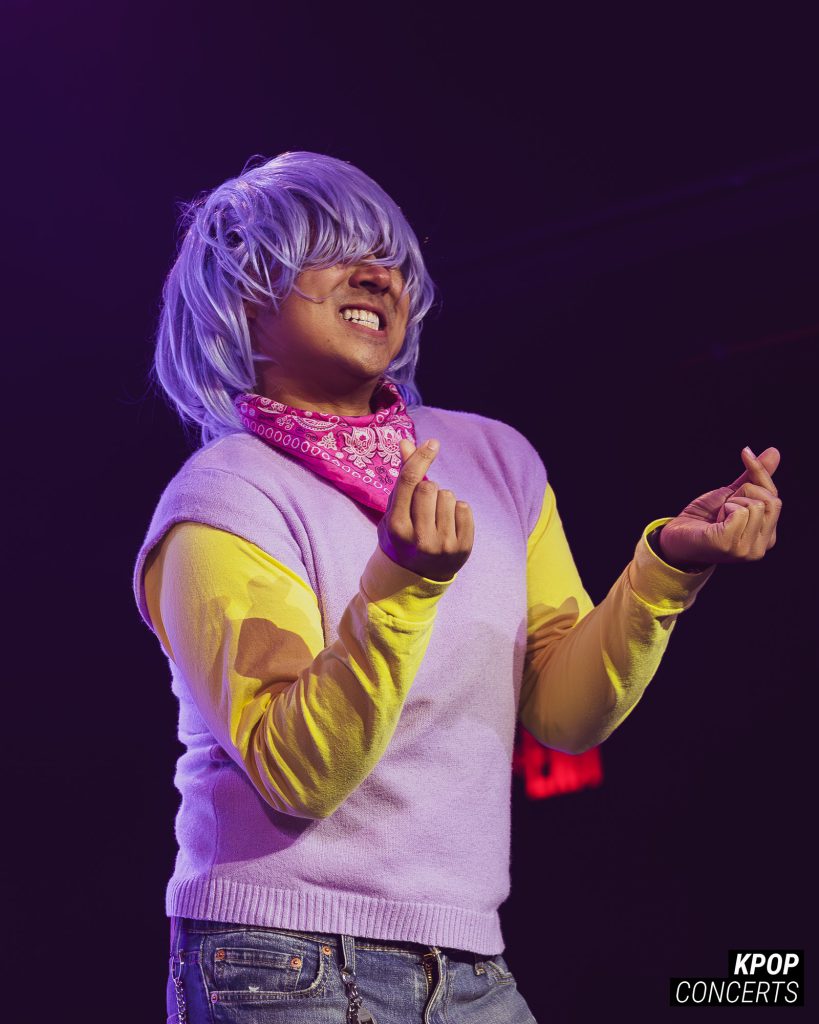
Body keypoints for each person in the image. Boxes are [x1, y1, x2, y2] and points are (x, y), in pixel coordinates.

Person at [132, 151, 782, 1024]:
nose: (378, 274)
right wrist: (403, 586)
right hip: (279, 959)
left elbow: (562, 714)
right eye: (331, 250)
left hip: (470, 959)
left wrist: (668, 565)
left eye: (390, 257)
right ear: (240, 298)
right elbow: (297, 773)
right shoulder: (225, 496)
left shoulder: (494, 459)